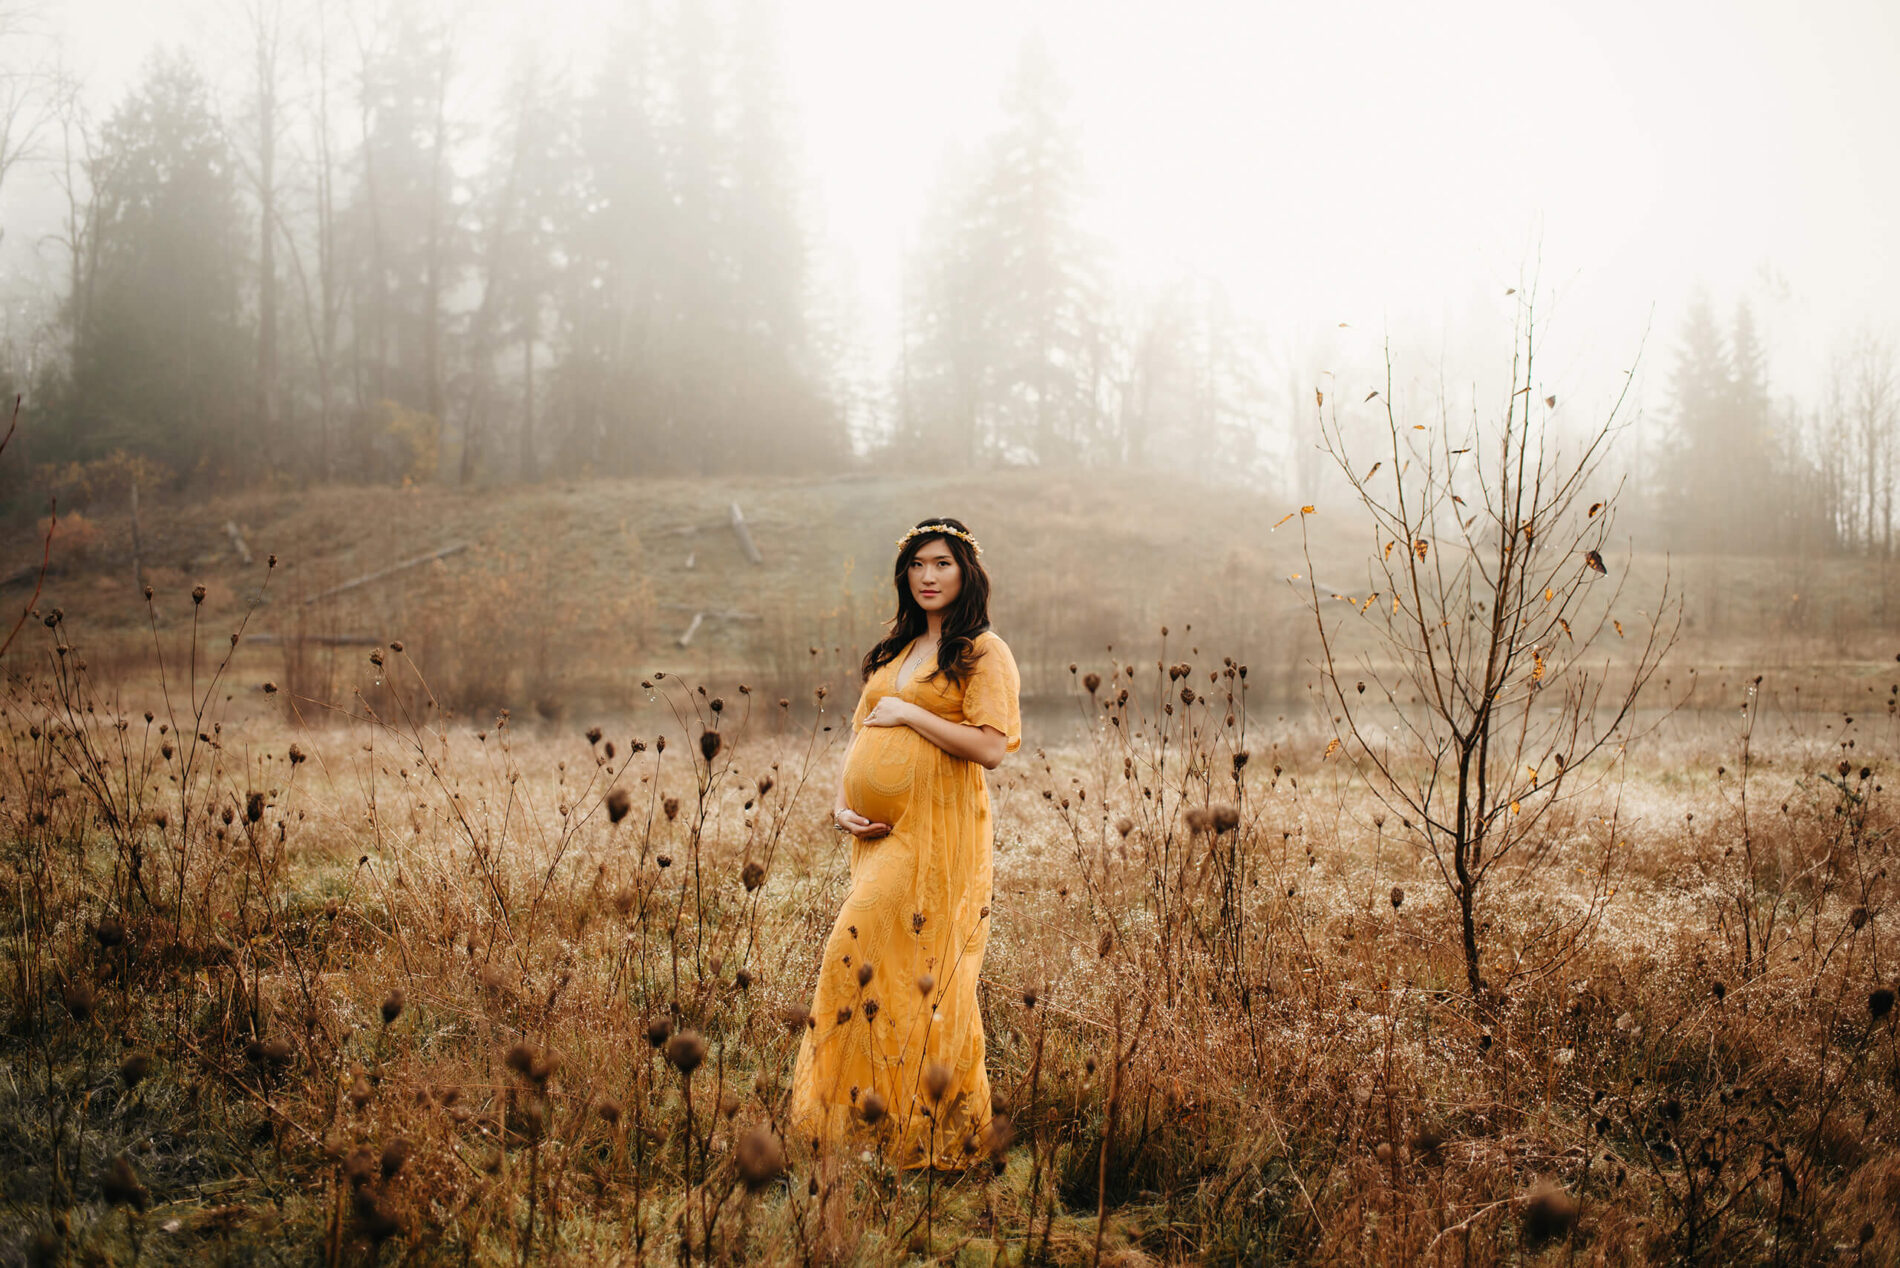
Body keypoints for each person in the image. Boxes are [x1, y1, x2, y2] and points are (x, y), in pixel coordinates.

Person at [789, 516, 1022, 1169]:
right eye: (917, 564)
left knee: (910, 971)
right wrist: (843, 805)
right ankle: (863, 1125)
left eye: (942, 563)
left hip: (937, 833)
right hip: (878, 837)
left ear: (966, 570)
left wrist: (911, 714)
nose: (927, 575)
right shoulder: (895, 651)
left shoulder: (980, 650)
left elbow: (991, 746)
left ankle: (935, 1126)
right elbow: (863, 735)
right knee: (873, 968)